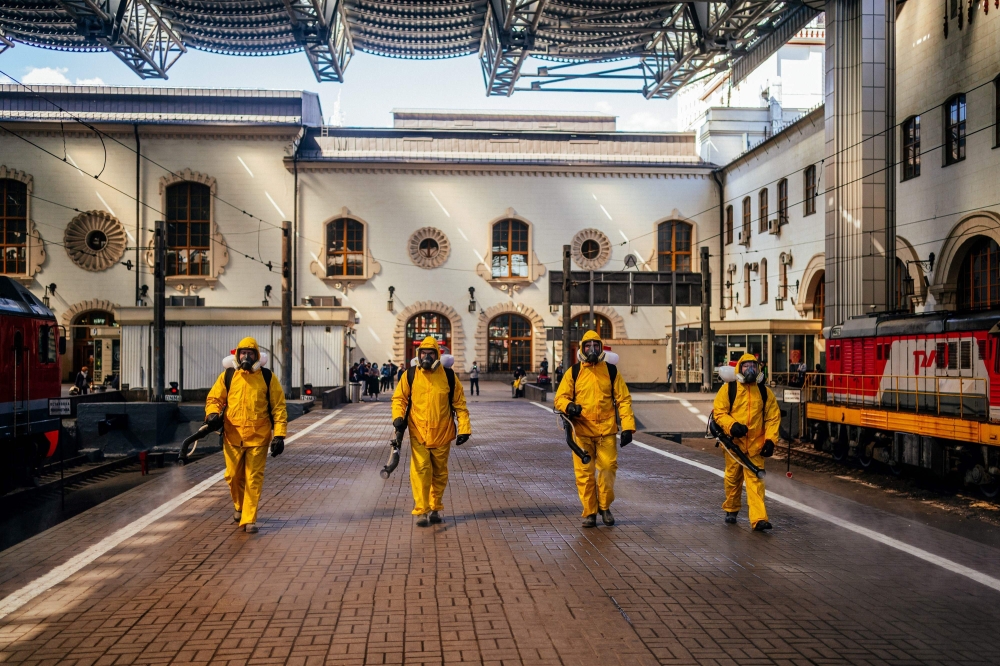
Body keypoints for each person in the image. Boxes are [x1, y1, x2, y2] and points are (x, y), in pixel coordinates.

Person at [205, 337, 287, 534]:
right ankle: (239, 506)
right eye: (243, 353)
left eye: (250, 353)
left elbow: (278, 407)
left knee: (253, 478)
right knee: (233, 476)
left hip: (258, 438)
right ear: (237, 354)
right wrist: (212, 414)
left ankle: (249, 519)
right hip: (232, 437)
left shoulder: (267, 377)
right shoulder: (228, 376)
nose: (246, 357)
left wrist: (280, 435)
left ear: (257, 355)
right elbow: (214, 398)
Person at [554, 330, 635, 528]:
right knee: (584, 474)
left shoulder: (611, 371)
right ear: (582, 348)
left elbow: (623, 400)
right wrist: (569, 407)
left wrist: (627, 427)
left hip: (606, 431)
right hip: (581, 432)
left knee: (607, 469)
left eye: (595, 346)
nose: (592, 350)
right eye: (588, 346)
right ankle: (590, 512)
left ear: (600, 348)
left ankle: (605, 507)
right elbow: (560, 398)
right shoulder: (574, 372)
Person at [391, 336, 471, 527]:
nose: (426, 357)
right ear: (418, 355)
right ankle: (422, 510)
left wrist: (465, 429)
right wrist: (398, 417)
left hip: (443, 434)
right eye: (423, 353)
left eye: (430, 353)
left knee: (440, 473)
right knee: (420, 471)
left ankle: (435, 507)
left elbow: (460, 404)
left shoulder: (449, 377)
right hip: (418, 432)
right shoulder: (410, 375)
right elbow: (399, 399)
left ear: (437, 355)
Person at [712, 353, 780, 531]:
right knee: (733, 480)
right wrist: (732, 426)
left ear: (758, 369)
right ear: (739, 368)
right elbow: (719, 413)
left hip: (755, 446)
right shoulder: (729, 389)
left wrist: (770, 440)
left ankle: (758, 519)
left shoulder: (764, 392)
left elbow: (773, 418)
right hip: (733, 445)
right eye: (746, 366)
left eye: (753, 366)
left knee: (756, 482)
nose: (750, 370)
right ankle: (731, 509)